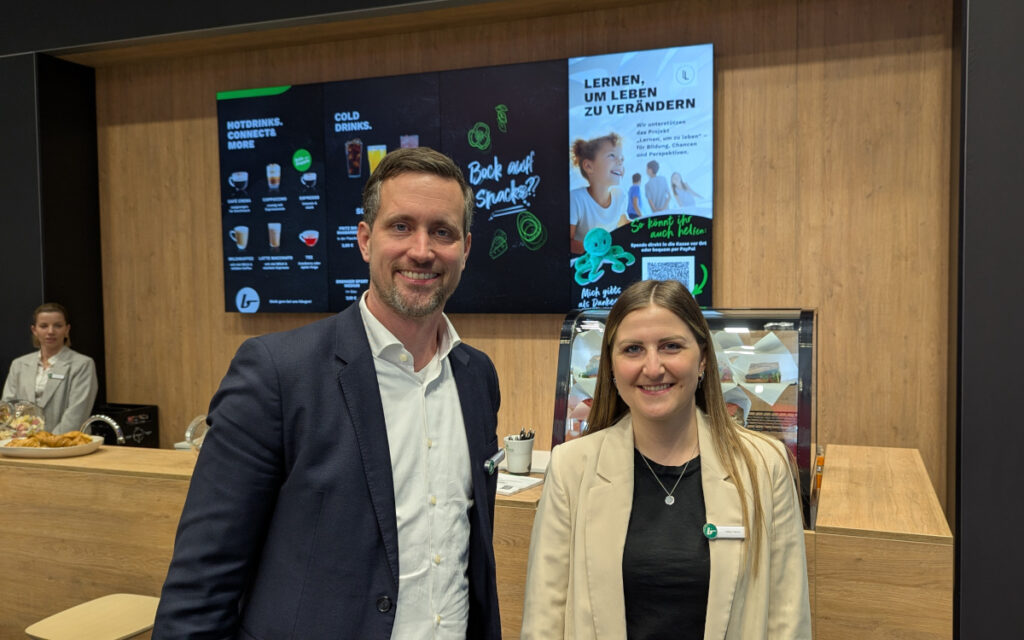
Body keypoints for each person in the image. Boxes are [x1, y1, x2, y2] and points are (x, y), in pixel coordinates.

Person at [153, 147, 503, 639]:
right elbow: (201, 584)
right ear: (364, 240)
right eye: (400, 226)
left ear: (465, 248)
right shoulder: (277, 373)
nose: (422, 251)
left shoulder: (476, 377)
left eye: (442, 232)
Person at [520, 279, 810, 639]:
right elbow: (544, 622)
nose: (653, 367)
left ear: (703, 358)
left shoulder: (765, 466)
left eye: (671, 346)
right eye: (633, 349)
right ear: (611, 364)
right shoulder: (571, 468)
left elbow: (787, 620)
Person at [2, 302, 98, 434]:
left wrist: (49, 442)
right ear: (34, 330)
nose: (51, 331)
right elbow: (8, 408)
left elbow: (76, 415)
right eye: (44, 326)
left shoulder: (82, 364)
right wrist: (21, 439)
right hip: (24, 444)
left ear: (67, 330)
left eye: (57, 326)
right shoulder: (19, 364)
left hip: (66, 445)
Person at [570, 133, 628, 254]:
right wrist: (599, 251)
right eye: (612, 156)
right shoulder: (576, 199)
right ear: (589, 166)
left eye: (622, 158)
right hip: (585, 263)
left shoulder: (620, 195)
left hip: (609, 259)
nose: (620, 162)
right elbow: (568, 241)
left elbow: (624, 225)